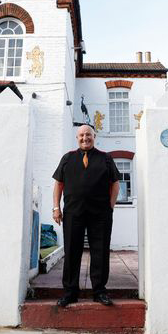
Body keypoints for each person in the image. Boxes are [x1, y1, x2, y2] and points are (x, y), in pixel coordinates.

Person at [52, 124, 120, 307]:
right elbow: (58, 184)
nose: (85, 138)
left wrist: (110, 207)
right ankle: (70, 292)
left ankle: (99, 291)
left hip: (100, 214)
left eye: (88, 135)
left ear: (94, 136)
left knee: (100, 252)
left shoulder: (105, 159)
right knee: (72, 251)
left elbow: (115, 183)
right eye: (81, 135)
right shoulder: (67, 158)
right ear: (77, 138)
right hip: (73, 213)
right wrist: (56, 208)